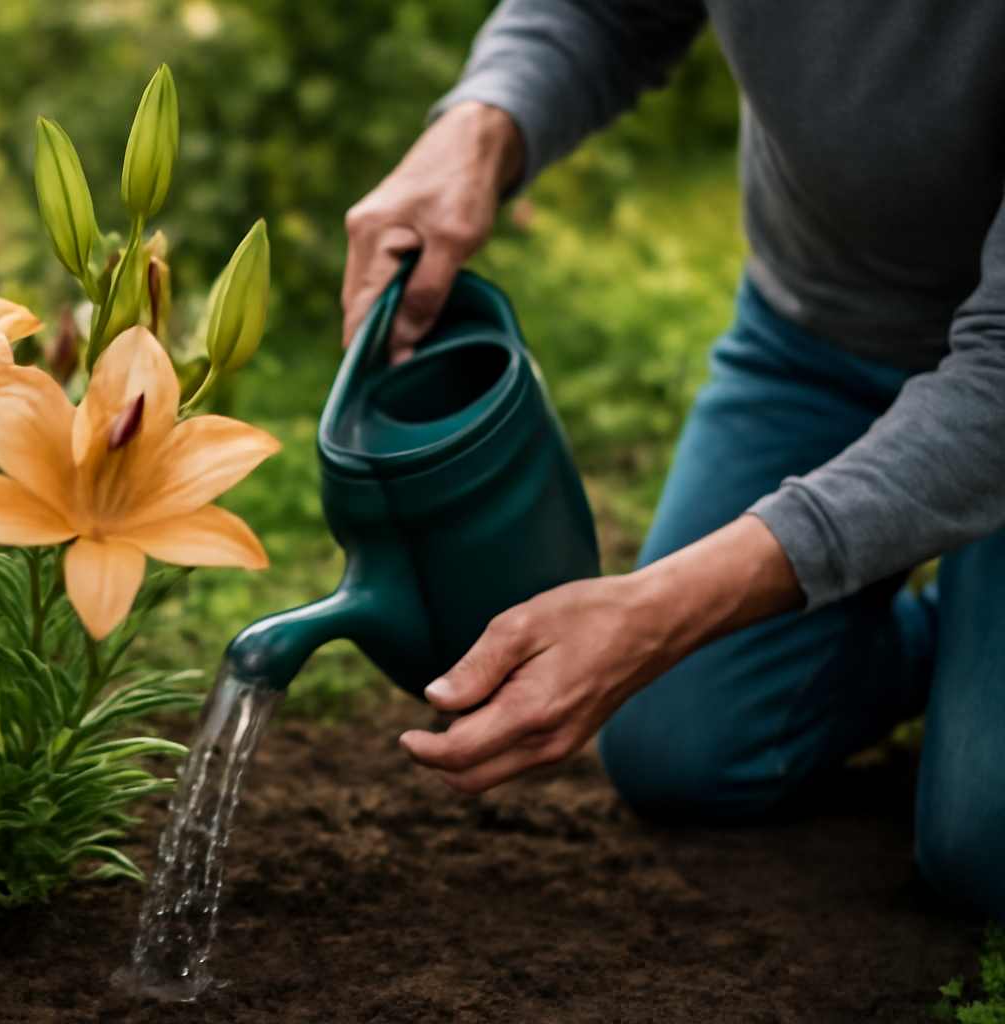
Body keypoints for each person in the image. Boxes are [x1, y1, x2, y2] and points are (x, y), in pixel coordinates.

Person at [341, 0, 1005, 922]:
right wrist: (479, 128)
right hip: (826, 327)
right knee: (682, 750)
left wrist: (658, 610)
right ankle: (956, 632)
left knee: (986, 849)